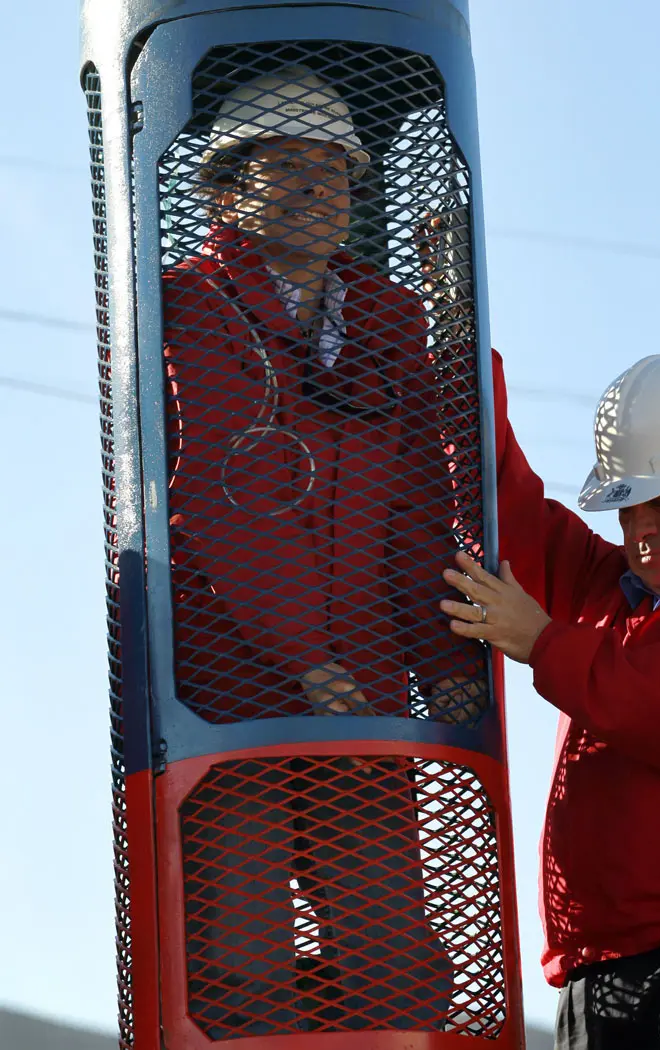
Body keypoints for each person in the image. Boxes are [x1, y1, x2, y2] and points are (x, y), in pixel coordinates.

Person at [163, 65, 482, 1036]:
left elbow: (417, 507)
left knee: (394, 958)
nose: (319, 190)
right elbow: (223, 500)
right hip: (230, 696)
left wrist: (444, 664)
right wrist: (305, 655)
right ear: (225, 191)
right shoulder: (193, 307)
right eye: (287, 168)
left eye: (337, 171)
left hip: (367, 692)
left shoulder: (388, 321)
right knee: (239, 954)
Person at [442, 350, 660, 1049]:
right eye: (627, 507)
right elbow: (505, 500)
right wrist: (466, 350)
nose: (642, 531)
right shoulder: (603, 588)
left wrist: (546, 644)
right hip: (597, 965)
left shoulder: (591, 612)